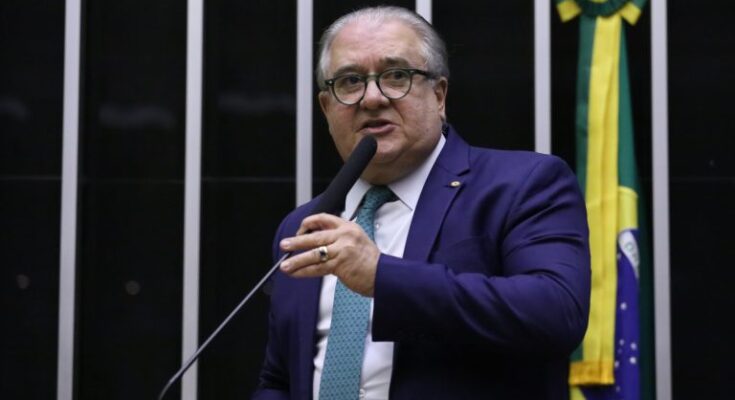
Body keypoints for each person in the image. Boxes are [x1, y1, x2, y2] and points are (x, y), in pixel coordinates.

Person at [253, 6, 590, 400]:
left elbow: (556, 313)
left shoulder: (523, 185)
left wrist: (381, 276)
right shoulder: (306, 225)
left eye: (396, 75)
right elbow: (279, 379)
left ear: (439, 95)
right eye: (350, 81)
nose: (372, 98)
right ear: (327, 108)